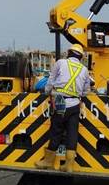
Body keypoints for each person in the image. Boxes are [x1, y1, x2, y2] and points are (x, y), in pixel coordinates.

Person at [36, 43, 92, 173]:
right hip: (75, 104)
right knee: (72, 133)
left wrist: (47, 91)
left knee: (56, 130)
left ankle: (48, 161)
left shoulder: (60, 63)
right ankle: (69, 165)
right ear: (80, 57)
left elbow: (50, 81)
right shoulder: (84, 70)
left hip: (60, 101)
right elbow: (86, 91)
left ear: (68, 53)